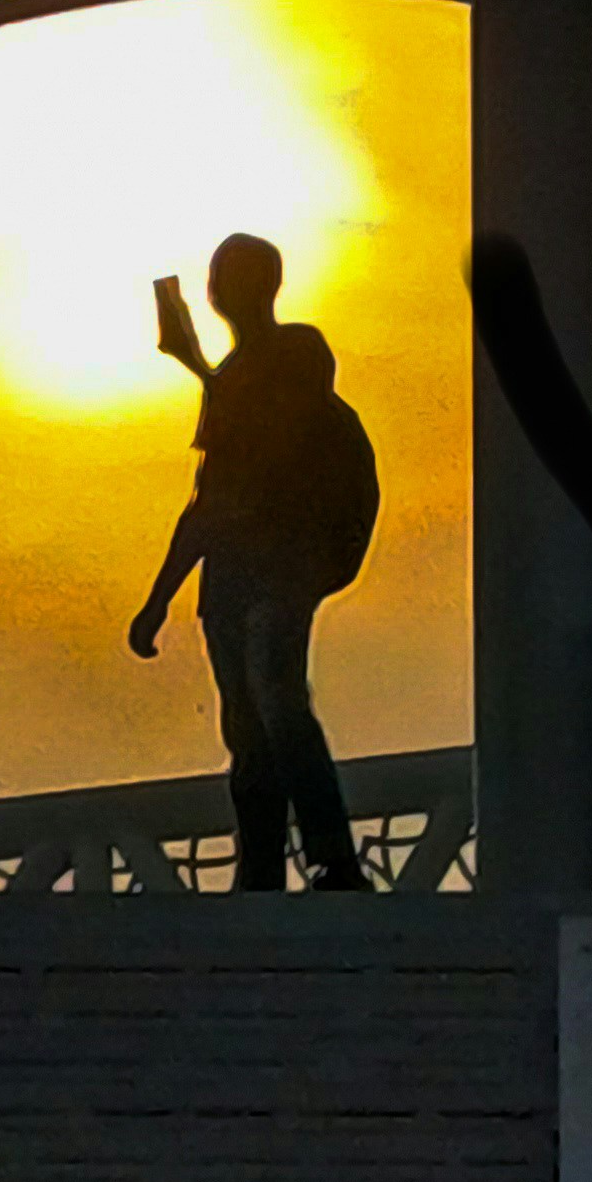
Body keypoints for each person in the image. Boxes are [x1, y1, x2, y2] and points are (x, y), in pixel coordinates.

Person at [128, 233, 379, 893]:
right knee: (245, 728)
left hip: (284, 563)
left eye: (229, 275)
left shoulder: (298, 351)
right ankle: (261, 870)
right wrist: (159, 599)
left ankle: (333, 860)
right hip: (231, 576)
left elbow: (292, 425)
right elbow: (207, 501)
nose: (220, 287)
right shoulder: (231, 381)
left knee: (280, 702)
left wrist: (232, 395)